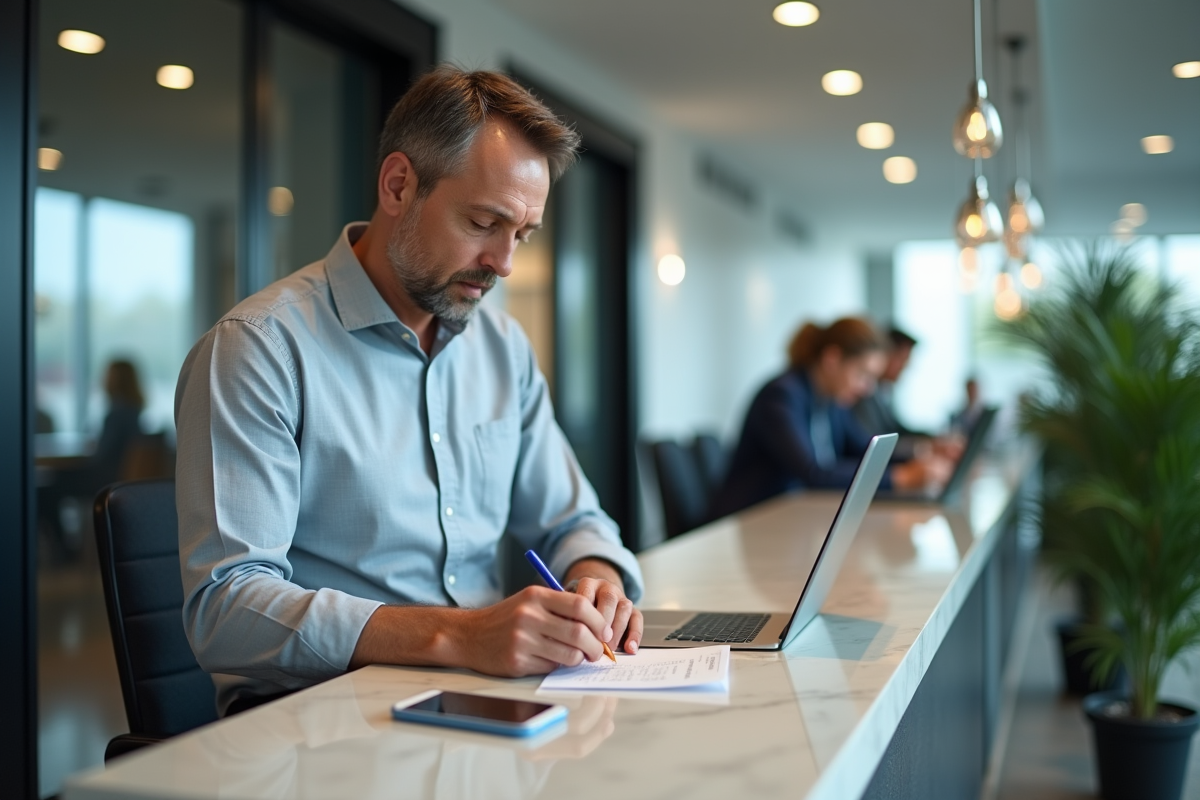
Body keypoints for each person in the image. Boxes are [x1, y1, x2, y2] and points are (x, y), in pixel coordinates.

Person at [175, 67, 644, 716]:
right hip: (319, 723)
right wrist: (461, 635)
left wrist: (597, 578)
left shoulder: (502, 350)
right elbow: (226, 609)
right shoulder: (259, 349)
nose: (505, 263)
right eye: (483, 222)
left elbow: (573, 521)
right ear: (399, 185)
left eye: (522, 234)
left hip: (480, 700)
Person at [712, 318, 950, 518]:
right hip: (751, 520)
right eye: (862, 374)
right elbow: (813, 473)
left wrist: (922, 456)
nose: (867, 389)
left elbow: (864, 449)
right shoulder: (782, 396)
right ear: (832, 360)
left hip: (794, 517)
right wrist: (902, 477)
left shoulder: (831, 399)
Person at [93, 358, 145, 487]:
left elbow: (102, 455)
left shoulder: (116, 416)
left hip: (108, 478)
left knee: (54, 481)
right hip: (122, 477)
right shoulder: (133, 411)